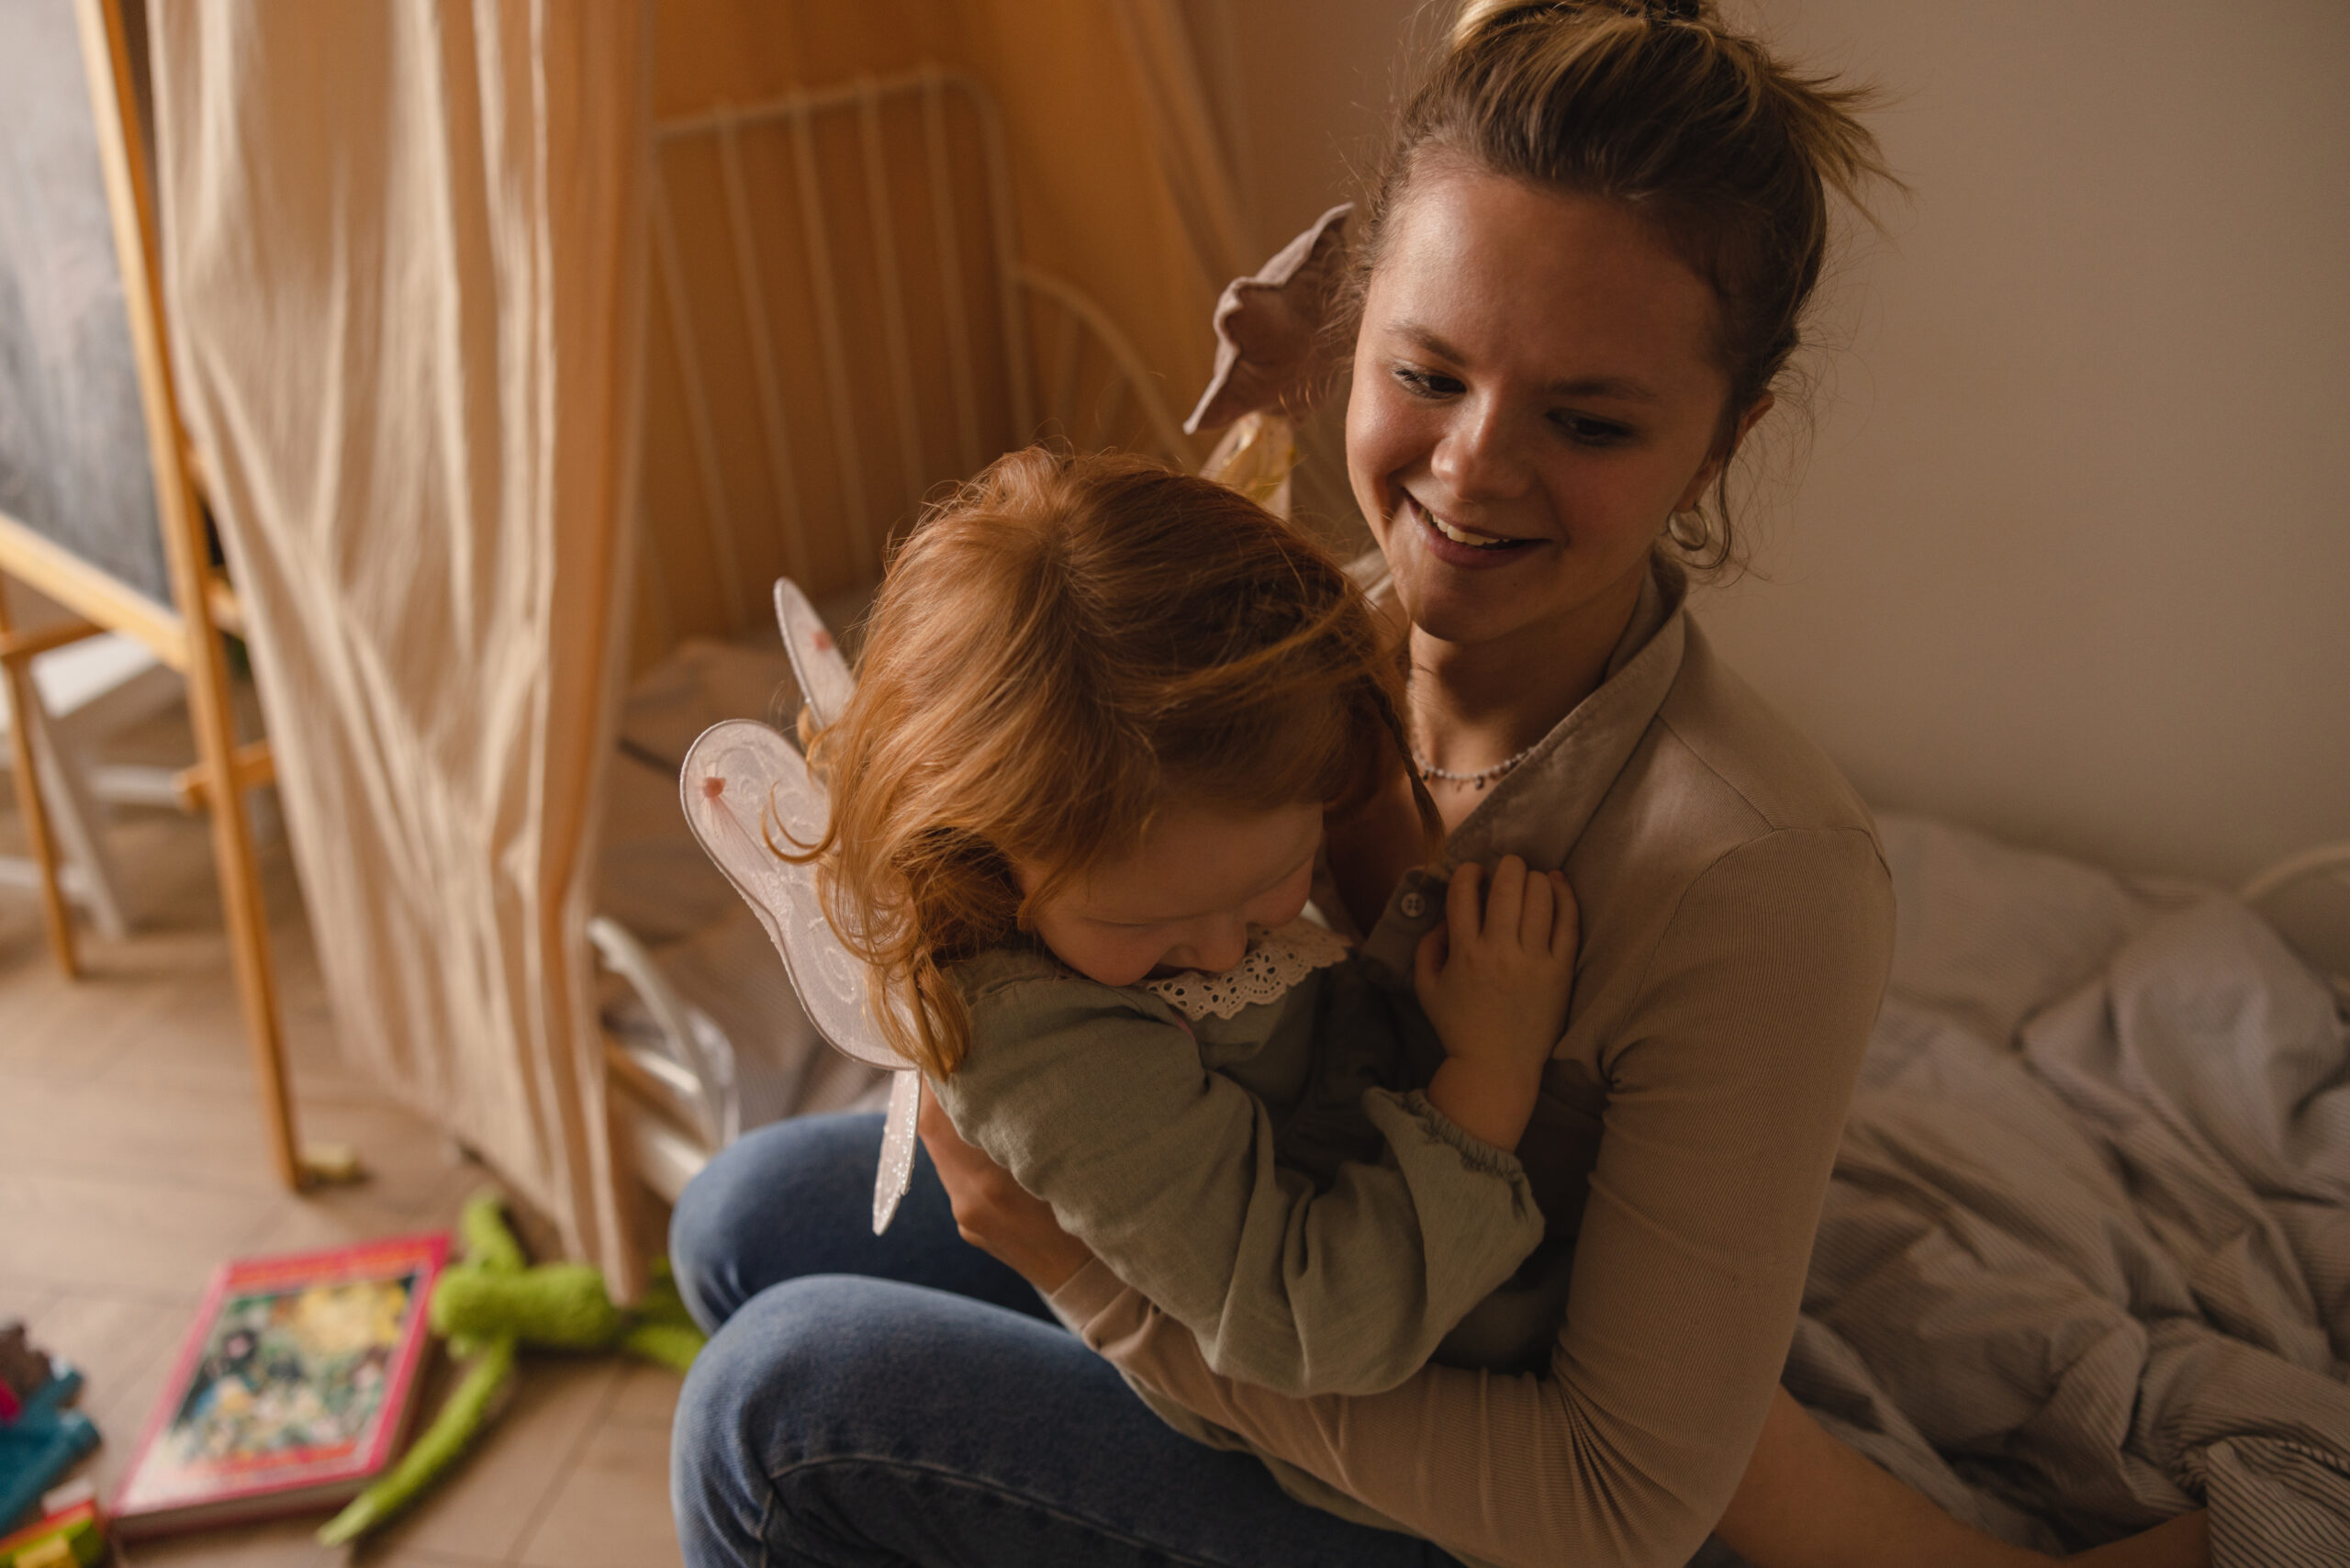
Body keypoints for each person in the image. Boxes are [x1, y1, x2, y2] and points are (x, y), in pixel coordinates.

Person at [669, 3, 2210, 1565]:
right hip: (1277, 1221)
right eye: (1426, 371)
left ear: (1724, 439)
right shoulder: (1286, 664)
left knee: (772, 1412)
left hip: (1484, 1449)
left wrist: (1087, 1277)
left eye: (1589, 418)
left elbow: (1618, 1498)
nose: (1470, 471)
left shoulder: (1753, 880)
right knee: (743, 1216)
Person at [795, 445, 1579, 1395]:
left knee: (743, 1211)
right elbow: (1308, 1326)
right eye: (1148, 924)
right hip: (1323, 1405)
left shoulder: (1223, 757)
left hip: (1346, 1231)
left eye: (1277, 879)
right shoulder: (1044, 1044)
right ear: (984, 853)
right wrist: (1489, 1075)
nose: (1217, 950)